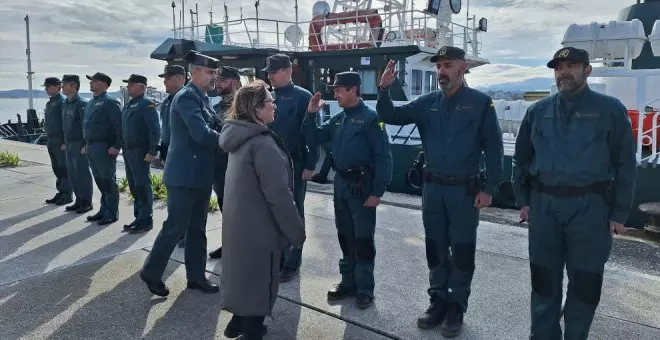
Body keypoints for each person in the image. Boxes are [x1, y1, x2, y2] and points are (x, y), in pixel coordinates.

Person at [376, 46, 503, 337]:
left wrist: (490, 189)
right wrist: (384, 88)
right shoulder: (426, 103)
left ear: (463, 68)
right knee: (435, 247)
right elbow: (390, 115)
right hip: (432, 190)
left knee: (461, 250)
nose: (441, 71)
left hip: (464, 192)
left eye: (447, 65)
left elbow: (495, 149)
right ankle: (437, 302)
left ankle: (456, 306)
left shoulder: (481, 103)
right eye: (438, 66)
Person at [512, 46, 637, 339]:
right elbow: (521, 159)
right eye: (558, 67)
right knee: (543, 281)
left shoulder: (610, 110)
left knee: (585, 283)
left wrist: (619, 213)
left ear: (587, 71)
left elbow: (625, 164)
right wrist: (523, 201)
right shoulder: (537, 111)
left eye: (571, 66)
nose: (563, 72)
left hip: (590, 208)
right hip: (543, 207)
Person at [219, 80, 305, 340]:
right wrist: (296, 232)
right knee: (260, 280)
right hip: (260, 229)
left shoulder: (237, 136)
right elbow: (278, 195)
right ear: (256, 109)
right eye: (270, 101)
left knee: (240, 274)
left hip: (239, 223)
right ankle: (252, 328)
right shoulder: (263, 144)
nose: (274, 105)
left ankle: (237, 319)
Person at [304, 71, 393, 309]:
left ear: (353, 90)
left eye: (339, 90)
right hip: (341, 186)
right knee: (345, 237)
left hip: (362, 187)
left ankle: (365, 288)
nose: (336, 94)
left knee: (363, 239)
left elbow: (383, 156)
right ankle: (348, 282)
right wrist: (311, 113)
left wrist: (377, 192)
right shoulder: (338, 119)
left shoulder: (371, 119)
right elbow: (313, 136)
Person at [140, 51, 222, 297]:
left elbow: (216, 126)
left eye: (215, 73)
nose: (213, 77)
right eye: (209, 72)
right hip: (184, 175)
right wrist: (232, 141)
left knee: (197, 228)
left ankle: (196, 277)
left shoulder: (202, 97)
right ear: (194, 72)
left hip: (199, 174)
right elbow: (202, 134)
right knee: (175, 226)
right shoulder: (187, 97)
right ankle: (152, 272)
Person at [263, 54, 317, 282]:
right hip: (270, 162)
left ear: (288, 71)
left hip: (295, 163)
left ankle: (292, 263)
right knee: (273, 210)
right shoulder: (269, 97)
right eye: (269, 72)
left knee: (294, 212)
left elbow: (312, 133)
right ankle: (277, 257)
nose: (270, 76)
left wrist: (311, 164)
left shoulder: (303, 97)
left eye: (274, 72)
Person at [207, 65, 242, 258]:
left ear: (235, 83)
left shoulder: (244, 107)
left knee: (241, 210)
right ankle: (229, 245)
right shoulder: (217, 107)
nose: (217, 83)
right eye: (217, 79)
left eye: (222, 80)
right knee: (225, 209)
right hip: (220, 168)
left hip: (238, 167)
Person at [120, 74, 161, 233]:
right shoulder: (129, 105)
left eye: (131, 84)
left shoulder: (147, 105)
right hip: (128, 151)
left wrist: (152, 151)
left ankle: (146, 219)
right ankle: (138, 217)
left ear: (142, 87)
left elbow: (154, 130)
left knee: (143, 186)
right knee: (134, 186)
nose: (128, 87)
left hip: (140, 151)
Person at [83, 72, 123, 225]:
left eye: (94, 80)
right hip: (92, 146)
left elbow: (119, 126)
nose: (91, 83)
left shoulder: (110, 102)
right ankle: (104, 209)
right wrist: (86, 144)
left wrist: (116, 145)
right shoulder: (91, 102)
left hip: (105, 147)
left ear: (104, 84)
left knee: (108, 180)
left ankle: (112, 212)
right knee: (99, 180)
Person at [60, 74, 94, 214]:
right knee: (73, 174)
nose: (62, 86)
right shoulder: (66, 103)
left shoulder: (81, 104)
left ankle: (87, 202)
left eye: (65, 84)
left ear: (73, 85)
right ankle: (78, 200)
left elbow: (85, 127)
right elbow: (66, 125)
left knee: (82, 174)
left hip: (79, 145)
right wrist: (64, 142)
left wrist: (86, 144)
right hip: (69, 144)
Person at [42, 77, 73, 206]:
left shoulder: (62, 102)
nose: (46, 89)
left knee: (63, 168)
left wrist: (65, 142)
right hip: (51, 140)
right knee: (57, 168)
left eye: (48, 86)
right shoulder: (50, 103)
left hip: (60, 141)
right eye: (45, 87)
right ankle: (61, 192)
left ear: (57, 86)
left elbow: (66, 124)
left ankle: (67, 194)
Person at [158, 65, 187, 164]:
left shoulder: (187, 100)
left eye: (168, 78)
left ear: (179, 78)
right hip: (167, 153)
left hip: (182, 155)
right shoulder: (166, 101)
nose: (164, 81)